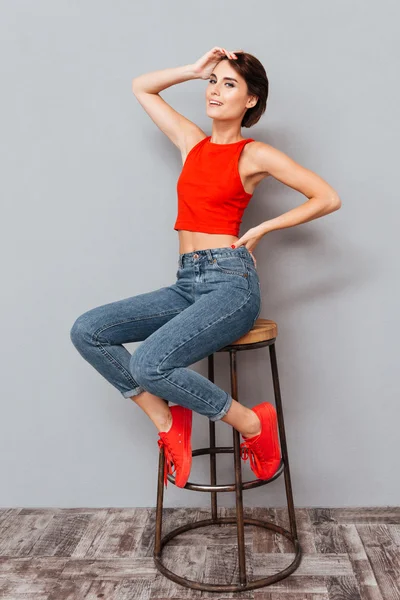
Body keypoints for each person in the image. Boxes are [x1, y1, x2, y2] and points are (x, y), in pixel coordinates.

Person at [70, 47, 341, 489]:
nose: (214, 90)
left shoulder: (253, 154)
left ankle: (252, 423)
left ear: (251, 100)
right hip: (186, 282)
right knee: (88, 330)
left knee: (150, 365)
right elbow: (142, 86)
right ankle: (165, 418)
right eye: (212, 82)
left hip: (230, 285)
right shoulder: (190, 141)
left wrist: (264, 229)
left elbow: (327, 197)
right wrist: (193, 69)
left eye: (228, 84)